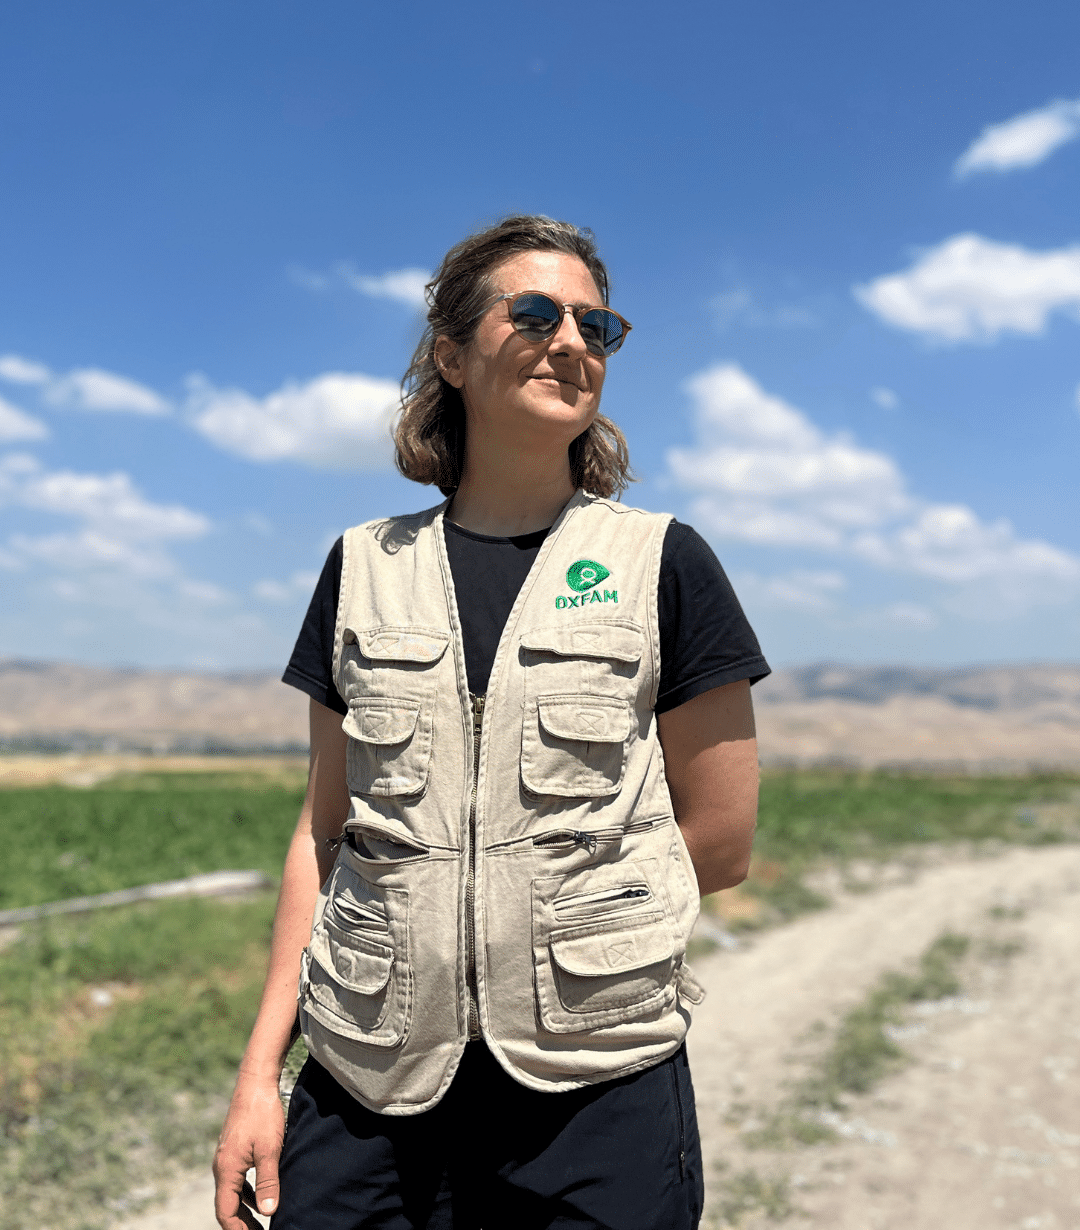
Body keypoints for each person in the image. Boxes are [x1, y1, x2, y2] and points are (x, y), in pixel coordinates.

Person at [213, 215, 768, 1230]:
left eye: (596, 327)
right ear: (452, 354)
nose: (572, 341)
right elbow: (324, 833)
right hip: (367, 1079)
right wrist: (261, 1076)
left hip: (594, 1090)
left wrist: (563, 941)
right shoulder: (361, 569)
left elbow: (720, 842)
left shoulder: (664, 563)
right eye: (535, 313)